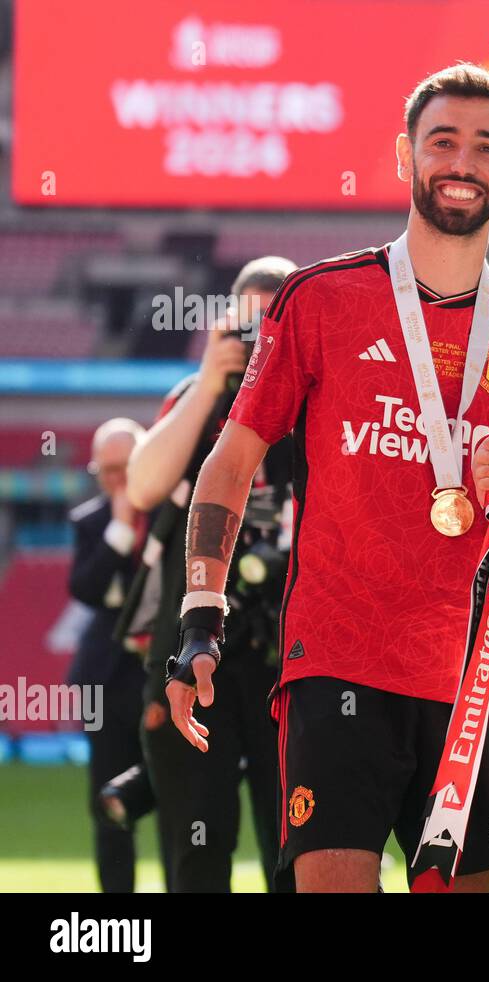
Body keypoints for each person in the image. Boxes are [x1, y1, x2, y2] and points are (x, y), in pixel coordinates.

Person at [164, 64, 489, 893]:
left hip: (481, 680)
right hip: (339, 665)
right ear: (404, 156)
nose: (463, 161)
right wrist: (200, 616)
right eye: (443, 142)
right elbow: (234, 456)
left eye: (487, 147)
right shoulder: (319, 300)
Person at [127, 256, 295, 892]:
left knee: (299, 851)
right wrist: (207, 381)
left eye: (272, 332)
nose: (258, 348)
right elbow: (143, 485)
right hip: (193, 653)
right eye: (246, 332)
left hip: (290, 658)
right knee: (197, 849)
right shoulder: (198, 400)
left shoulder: (320, 405)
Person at [67, 417, 147, 892]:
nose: (115, 479)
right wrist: (119, 530)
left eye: (124, 467)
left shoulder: (171, 513)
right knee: (109, 801)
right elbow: (87, 588)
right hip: (105, 680)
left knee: (180, 798)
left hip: (159, 676)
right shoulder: (91, 521)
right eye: (106, 470)